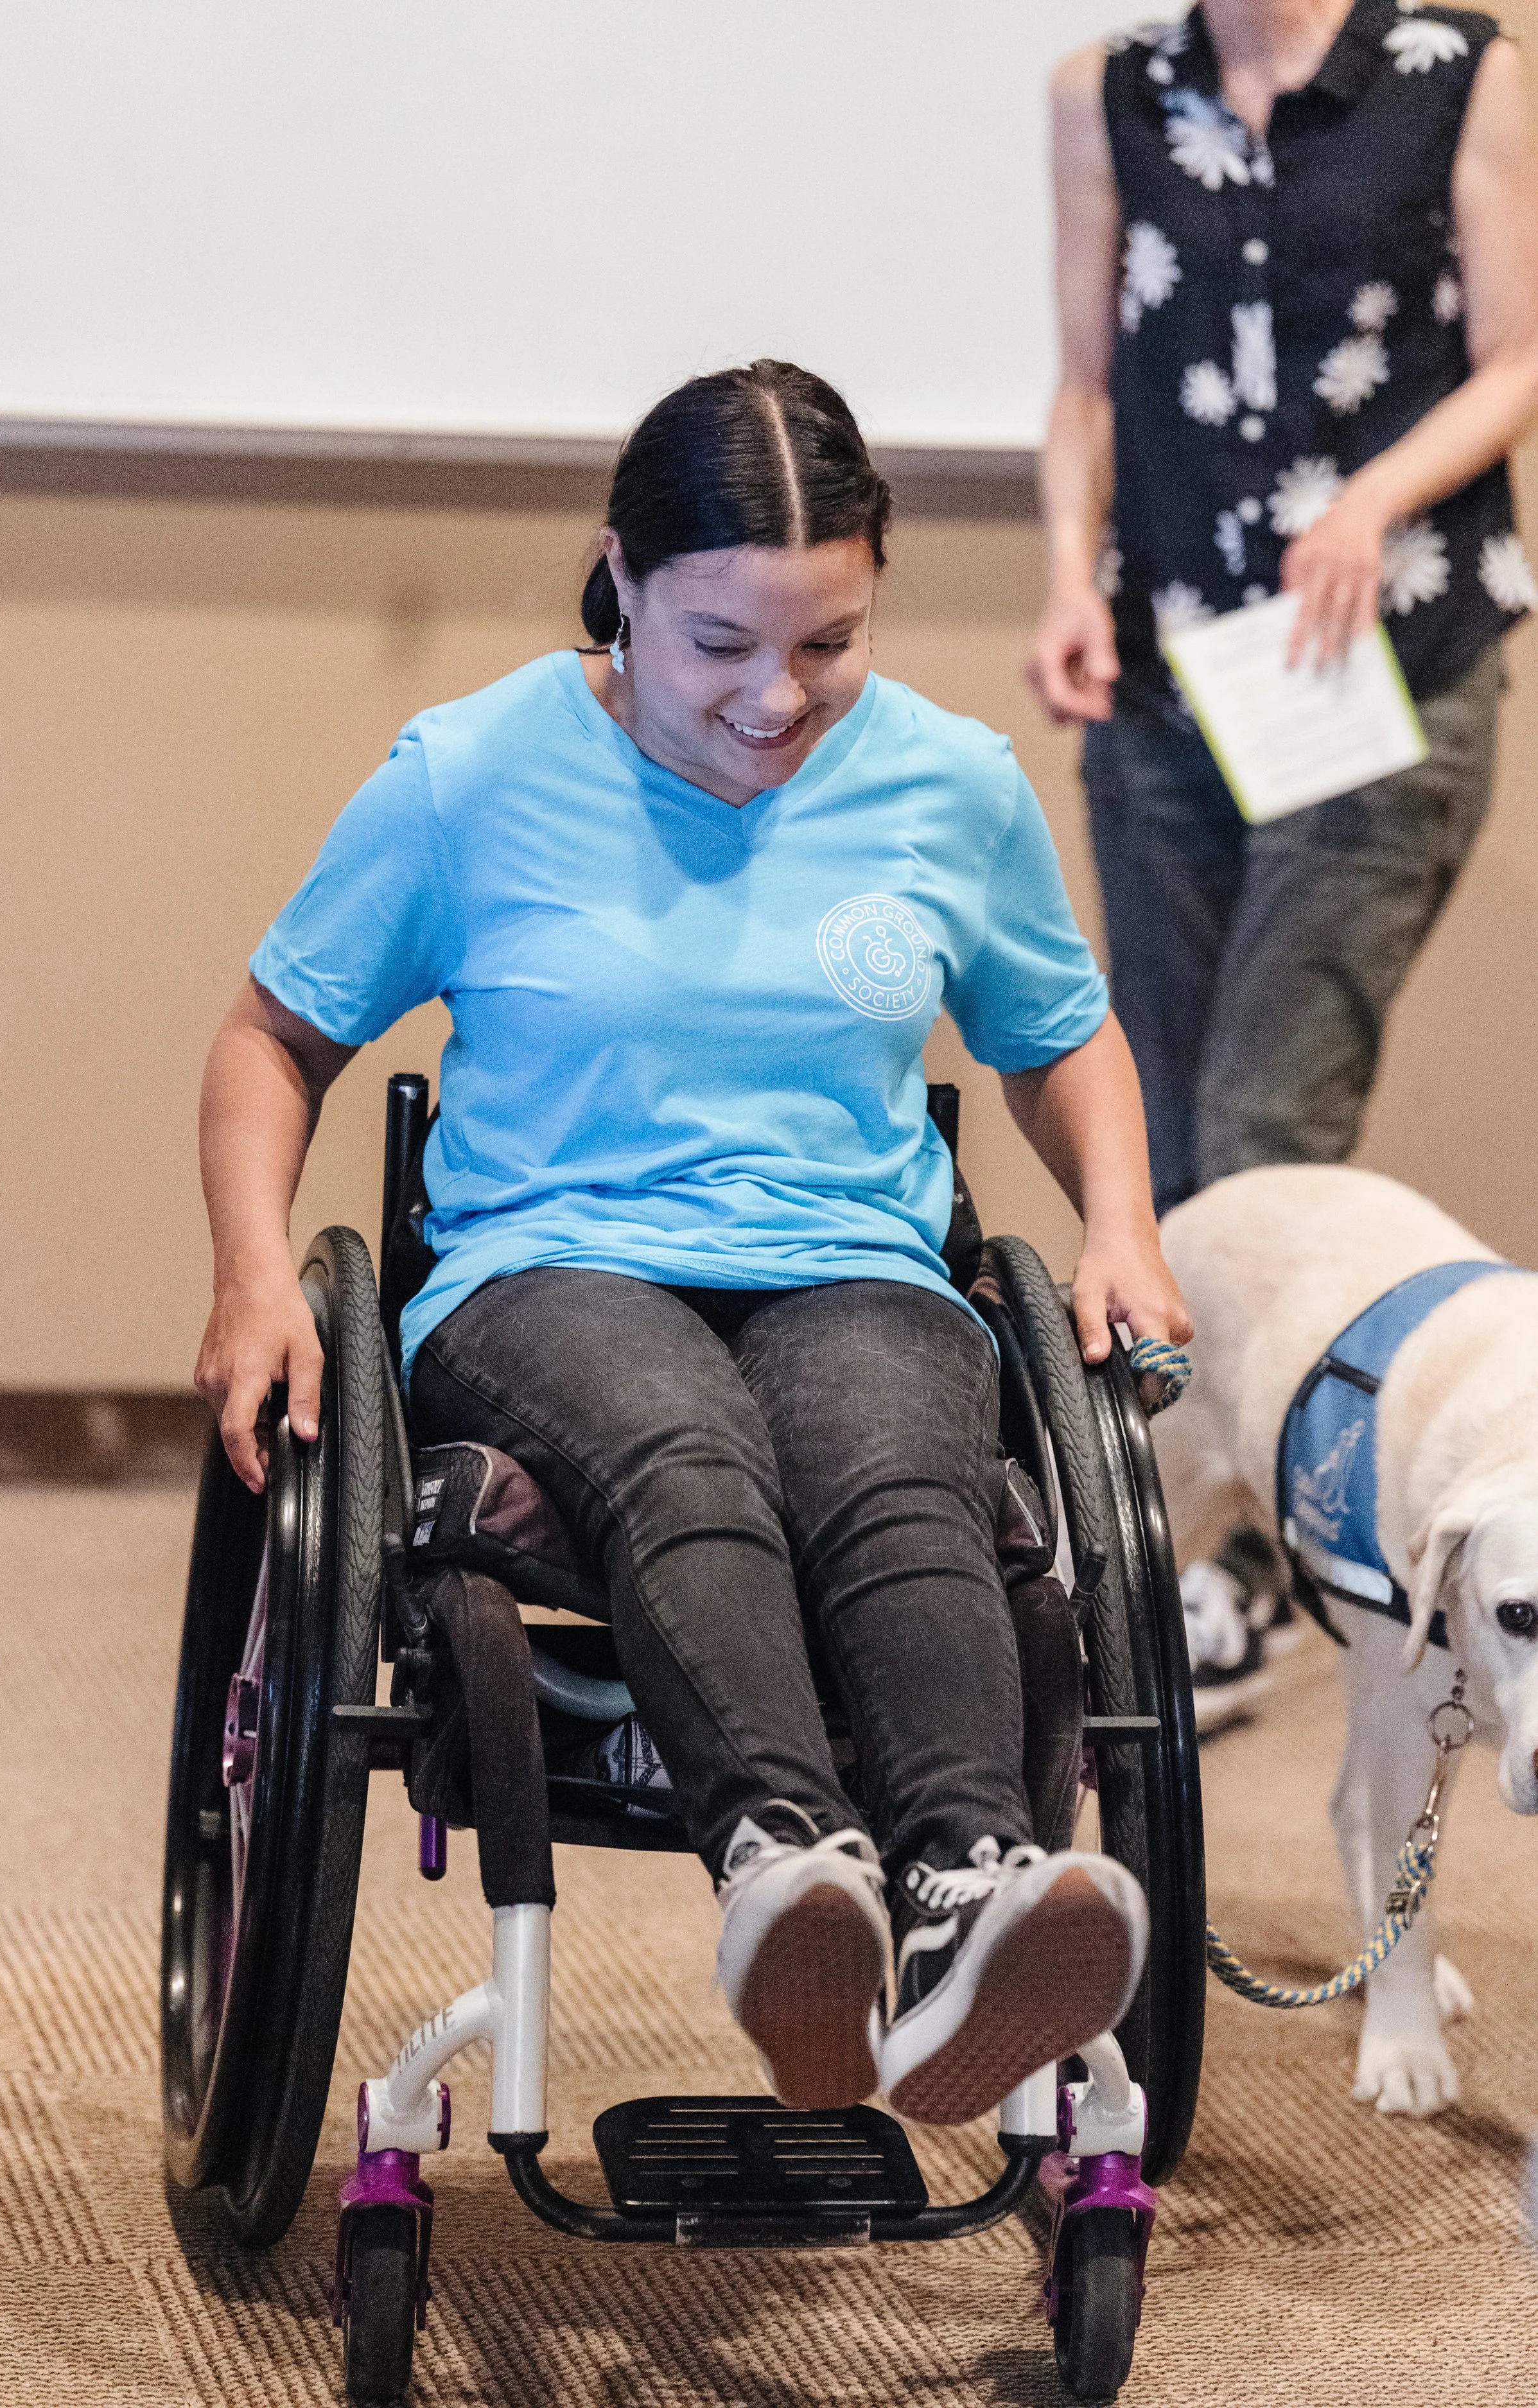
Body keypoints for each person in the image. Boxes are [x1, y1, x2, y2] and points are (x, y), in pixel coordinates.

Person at [195, 361, 1191, 2125]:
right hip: (543, 1268)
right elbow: (275, 1037)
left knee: (897, 1462)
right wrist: (257, 1274)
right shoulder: (473, 773)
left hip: (848, 1263)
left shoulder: (950, 786)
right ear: (623, 579)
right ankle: (787, 1872)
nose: (772, 697)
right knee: (683, 1444)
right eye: (720, 642)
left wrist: (1118, 1221)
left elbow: (1061, 1039)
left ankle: (965, 1888)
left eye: (826, 644)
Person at [1028, 0, 1538, 1713]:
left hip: (1385, 671)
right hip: (1174, 679)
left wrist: (1371, 496)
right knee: (1163, 1156)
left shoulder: (1455, 76)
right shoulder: (1107, 92)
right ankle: (1204, 1549)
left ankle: (1230, 1581)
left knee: (1263, 1131)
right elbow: (1086, 385)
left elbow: (1519, 361)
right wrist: (1064, 584)